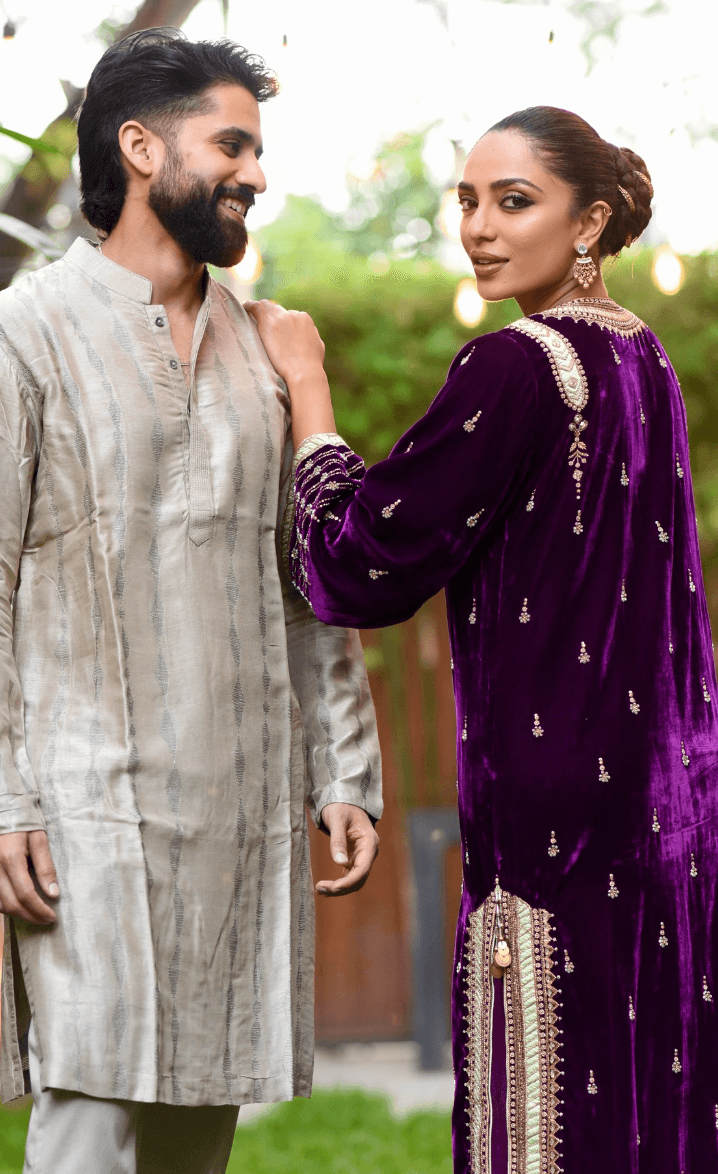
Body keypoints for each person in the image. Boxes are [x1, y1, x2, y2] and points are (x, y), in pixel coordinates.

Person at [247, 106, 718, 1174]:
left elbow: (361, 563)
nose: (479, 227)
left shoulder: (514, 366)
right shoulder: (645, 358)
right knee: (644, 1106)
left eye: (514, 201)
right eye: (467, 200)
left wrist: (307, 385)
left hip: (556, 835)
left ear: (588, 221)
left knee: (543, 1123)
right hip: (668, 814)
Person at [0, 27, 382, 1174]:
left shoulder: (264, 351)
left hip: (237, 813)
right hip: (84, 808)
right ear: (139, 147)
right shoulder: (27, 330)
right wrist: (5, 794)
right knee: (91, 1114)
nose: (255, 173)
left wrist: (344, 770)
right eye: (232, 145)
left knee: (194, 1137)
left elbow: (305, 582)